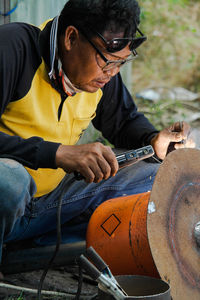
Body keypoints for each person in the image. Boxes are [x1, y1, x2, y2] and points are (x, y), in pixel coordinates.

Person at [0, 0, 191, 266]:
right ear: (71, 38)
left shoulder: (101, 74)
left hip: (51, 203)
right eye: (108, 62)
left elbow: (123, 121)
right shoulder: (13, 47)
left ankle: (30, 248)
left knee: (161, 172)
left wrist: (153, 140)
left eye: (120, 64)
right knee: (7, 181)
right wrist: (57, 153)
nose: (111, 74)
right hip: (9, 203)